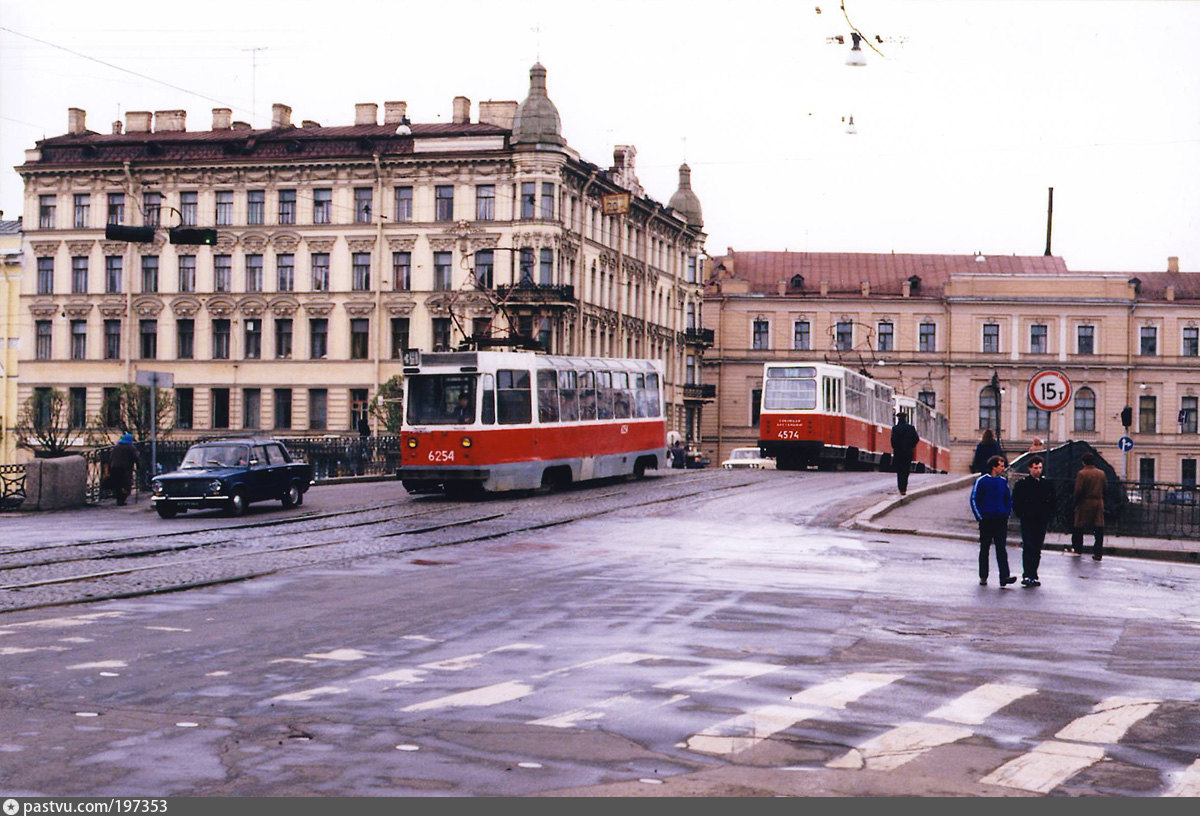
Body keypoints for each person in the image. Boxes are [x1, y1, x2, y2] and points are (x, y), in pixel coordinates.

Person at [970, 454, 1016, 587]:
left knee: (1001, 548)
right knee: (985, 548)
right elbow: (974, 499)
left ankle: (1004, 576)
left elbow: (1008, 499)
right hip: (987, 519)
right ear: (994, 467)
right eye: (1001, 466)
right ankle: (983, 575)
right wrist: (980, 517)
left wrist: (1006, 513)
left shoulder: (1003, 482)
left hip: (1000, 519)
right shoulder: (982, 481)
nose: (1003, 468)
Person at [1012, 455, 1056, 587]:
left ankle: (1033, 574)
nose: (1038, 470)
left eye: (1040, 468)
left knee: (1037, 548)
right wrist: (1021, 514)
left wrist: (1050, 515)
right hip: (1028, 519)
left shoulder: (1047, 484)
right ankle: (1027, 574)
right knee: (1028, 546)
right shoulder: (1022, 484)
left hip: (1041, 520)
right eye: (1035, 468)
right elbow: (1016, 501)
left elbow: (1053, 501)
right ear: (1030, 468)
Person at [1071, 452, 1106, 560]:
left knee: (1079, 527)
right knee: (1098, 528)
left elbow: (1078, 490)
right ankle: (1098, 552)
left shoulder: (1082, 474)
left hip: (1084, 502)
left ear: (1083, 462)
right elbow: (1105, 487)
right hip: (1098, 502)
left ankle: (1078, 549)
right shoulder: (1101, 473)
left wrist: (1074, 502)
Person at [889, 412, 920, 496]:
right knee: (906, 470)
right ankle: (904, 488)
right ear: (905, 418)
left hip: (898, 453)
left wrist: (896, 448)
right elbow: (916, 439)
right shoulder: (911, 428)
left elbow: (893, 441)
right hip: (908, 452)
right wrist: (911, 446)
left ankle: (901, 488)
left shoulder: (895, 428)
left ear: (898, 418)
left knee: (899, 471)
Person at [107, 432, 139, 506]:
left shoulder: (116, 447)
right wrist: (138, 466)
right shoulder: (131, 447)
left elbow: (111, 458)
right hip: (125, 469)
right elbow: (136, 457)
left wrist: (109, 468)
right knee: (126, 484)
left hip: (114, 468)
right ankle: (122, 499)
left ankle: (118, 499)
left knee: (118, 484)